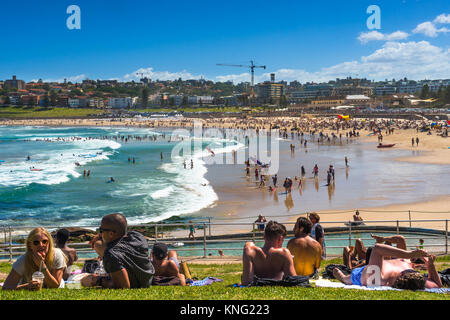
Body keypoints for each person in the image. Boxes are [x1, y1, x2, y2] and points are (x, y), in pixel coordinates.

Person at [81, 213, 154, 289]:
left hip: (135, 284)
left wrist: (97, 280)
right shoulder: (137, 237)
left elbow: (124, 286)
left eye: (101, 230)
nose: (100, 233)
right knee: (98, 245)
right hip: (146, 281)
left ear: (111, 234)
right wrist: (99, 236)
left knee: (99, 246)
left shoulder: (111, 253)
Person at [333, 244, 442, 289]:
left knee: (344, 277)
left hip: (363, 273)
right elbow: (437, 284)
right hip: (384, 264)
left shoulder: (377, 279)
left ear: (402, 275)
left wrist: (409, 254)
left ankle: (342, 276)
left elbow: (377, 248)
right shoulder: (417, 280)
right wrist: (430, 264)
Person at [2, 228, 67, 290]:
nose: (41, 245)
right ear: (30, 245)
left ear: (49, 243)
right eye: (36, 242)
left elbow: (55, 285)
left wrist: (42, 266)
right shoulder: (23, 260)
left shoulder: (56, 255)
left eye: (45, 241)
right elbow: (6, 287)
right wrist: (27, 286)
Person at [241, 221, 296, 286]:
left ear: (264, 237)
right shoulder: (284, 253)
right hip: (276, 284)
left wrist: (248, 244)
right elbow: (293, 280)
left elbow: (247, 282)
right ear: (280, 239)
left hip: (257, 283)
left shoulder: (250, 251)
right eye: (282, 241)